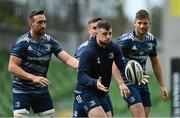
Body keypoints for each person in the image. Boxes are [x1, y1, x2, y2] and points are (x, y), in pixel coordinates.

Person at [8, 10, 78, 117]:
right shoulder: (22, 42)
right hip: (22, 90)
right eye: (40, 22)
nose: (43, 25)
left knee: (49, 116)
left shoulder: (50, 41)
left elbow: (68, 59)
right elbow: (12, 67)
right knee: (20, 115)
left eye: (45, 22)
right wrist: (33, 77)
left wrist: (84, 65)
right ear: (31, 24)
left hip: (41, 91)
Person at [114, 9, 169, 117]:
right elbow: (113, 62)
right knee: (140, 115)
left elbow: (155, 63)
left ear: (149, 24)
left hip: (143, 81)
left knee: (145, 115)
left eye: (145, 23)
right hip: (128, 81)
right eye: (139, 23)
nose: (142, 26)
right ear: (135, 23)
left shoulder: (151, 40)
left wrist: (162, 85)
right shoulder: (126, 40)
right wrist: (121, 83)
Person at [73, 21, 130, 117]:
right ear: (96, 34)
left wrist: (135, 74)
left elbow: (122, 66)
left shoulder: (114, 48)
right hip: (84, 92)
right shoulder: (88, 51)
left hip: (101, 93)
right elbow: (81, 76)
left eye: (110, 34)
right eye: (104, 34)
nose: (108, 36)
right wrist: (95, 82)